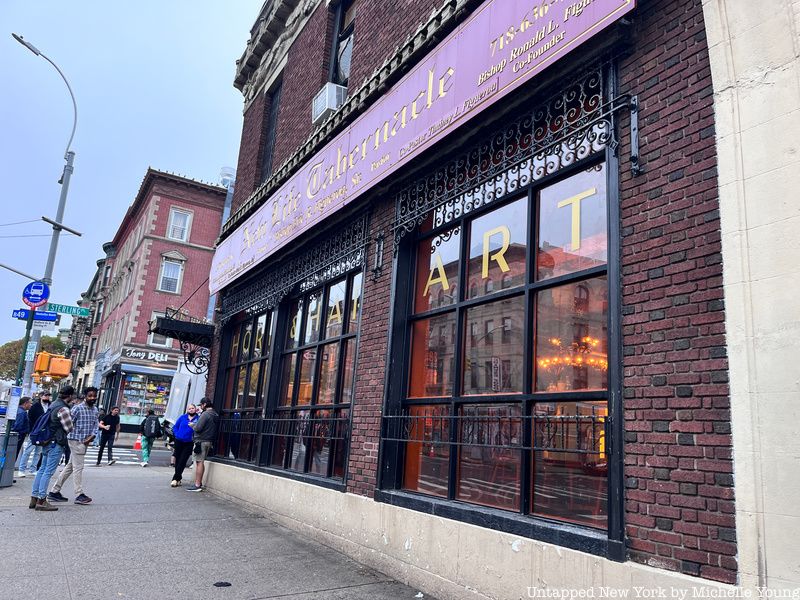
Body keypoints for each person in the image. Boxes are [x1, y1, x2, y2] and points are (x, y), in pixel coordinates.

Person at [47, 386, 98, 506]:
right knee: (78, 467)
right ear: (85, 396)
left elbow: (96, 425)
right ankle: (79, 494)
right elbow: (68, 425)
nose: (92, 398)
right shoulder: (77, 409)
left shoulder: (95, 410)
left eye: (94, 396)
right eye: (90, 395)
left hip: (86, 441)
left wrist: (93, 436)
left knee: (70, 467)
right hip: (75, 440)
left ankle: (54, 491)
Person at [30, 387, 74, 511]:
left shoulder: (53, 404)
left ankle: (34, 497)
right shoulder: (63, 408)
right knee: (48, 471)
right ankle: (42, 500)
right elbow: (69, 428)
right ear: (70, 395)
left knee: (42, 469)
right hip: (56, 443)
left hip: (47, 441)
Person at [186, 398, 218, 492]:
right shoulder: (215, 414)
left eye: (201, 405)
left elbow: (198, 428)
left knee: (199, 462)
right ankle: (199, 483)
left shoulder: (205, 414)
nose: (200, 407)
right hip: (209, 441)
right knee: (201, 462)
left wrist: (192, 425)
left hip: (201, 441)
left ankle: (197, 485)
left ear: (204, 404)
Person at [19, 392, 51, 475]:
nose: (47, 397)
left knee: (38, 452)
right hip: (35, 431)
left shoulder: (49, 406)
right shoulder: (35, 407)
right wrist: (32, 431)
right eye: (46, 395)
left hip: (44, 432)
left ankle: (33, 469)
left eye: (48, 396)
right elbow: (30, 419)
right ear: (41, 396)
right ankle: (21, 469)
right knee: (28, 450)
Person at [170, 404, 198, 487]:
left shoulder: (198, 418)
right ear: (187, 410)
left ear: (195, 409)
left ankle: (175, 479)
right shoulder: (182, 417)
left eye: (193, 408)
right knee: (178, 460)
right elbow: (175, 427)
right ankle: (178, 478)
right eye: (189, 408)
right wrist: (177, 434)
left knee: (183, 460)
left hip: (189, 442)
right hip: (179, 441)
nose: (191, 410)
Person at [12, 397, 32, 476]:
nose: (31, 405)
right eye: (30, 403)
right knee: (14, 454)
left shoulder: (20, 411)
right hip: (19, 435)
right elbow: (18, 426)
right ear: (25, 403)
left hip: (19, 435)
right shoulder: (22, 413)